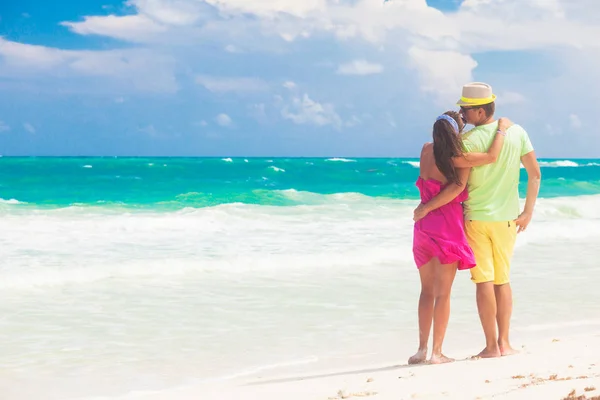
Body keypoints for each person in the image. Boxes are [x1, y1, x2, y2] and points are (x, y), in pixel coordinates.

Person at [413, 82, 542, 359]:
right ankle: (504, 343)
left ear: (481, 112)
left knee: (481, 281)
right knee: (502, 280)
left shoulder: (461, 144)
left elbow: (458, 185)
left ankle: (489, 347)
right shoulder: (517, 132)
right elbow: (535, 174)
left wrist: (425, 208)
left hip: (472, 219)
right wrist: (528, 212)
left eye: (467, 110)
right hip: (507, 218)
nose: (463, 114)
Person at [409, 110, 512, 365]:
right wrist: (501, 129)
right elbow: (490, 156)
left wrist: (425, 208)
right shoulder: (458, 159)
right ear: (457, 131)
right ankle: (436, 353)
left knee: (426, 291)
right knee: (443, 292)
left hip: (423, 226)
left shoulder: (425, 150)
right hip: (447, 226)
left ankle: (421, 349)